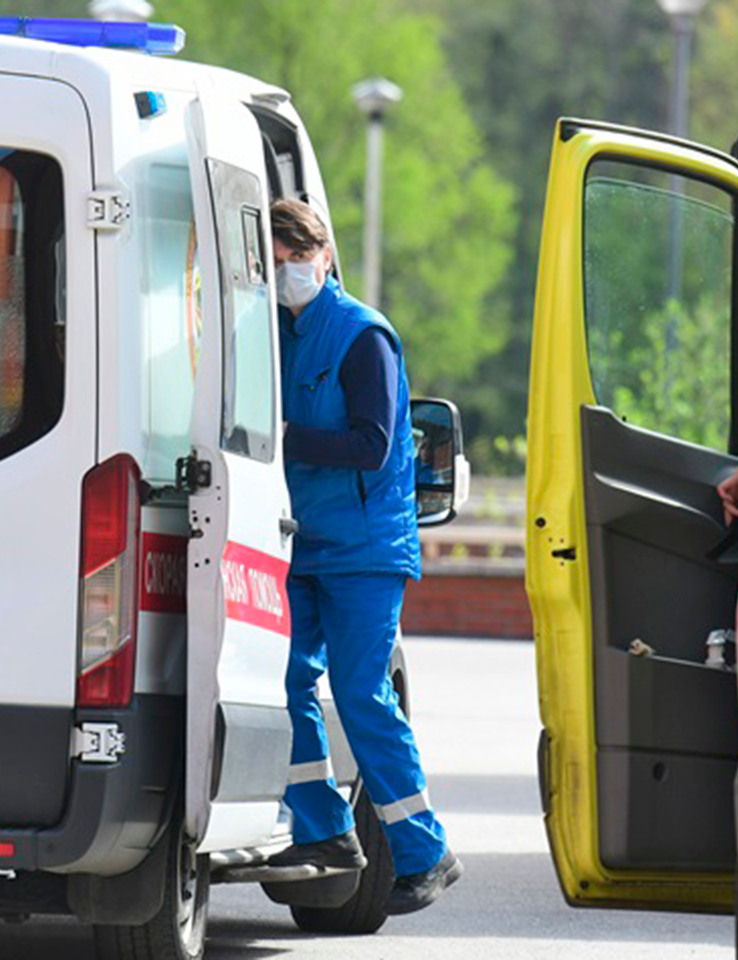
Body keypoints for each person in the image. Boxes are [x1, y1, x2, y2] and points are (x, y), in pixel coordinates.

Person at [264, 198, 460, 915]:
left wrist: (279, 435)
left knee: (359, 692)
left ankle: (425, 850)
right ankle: (324, 832)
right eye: (276, 261)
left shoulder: (360, 335)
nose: (288, 273)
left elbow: (373, 444)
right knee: (283, 681)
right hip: (302, 540)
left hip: (365, 550)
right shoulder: (275, 332)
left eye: (297, 259)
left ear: (324, 257)